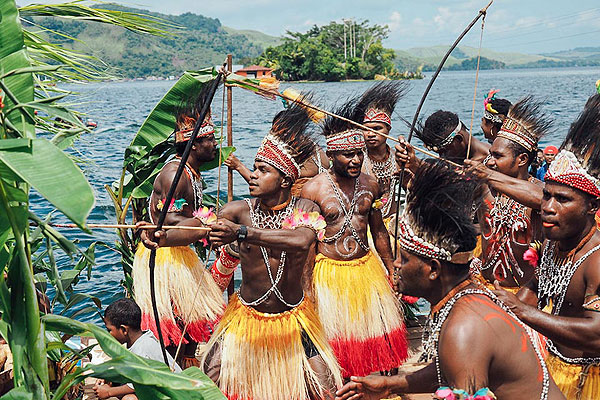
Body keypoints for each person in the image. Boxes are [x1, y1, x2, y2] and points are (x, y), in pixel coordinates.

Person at [334, 161, 564, 400]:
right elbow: (450, 367)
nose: (396, 265)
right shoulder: (466, 298)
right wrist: (389, 385)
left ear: (433, 269)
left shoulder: (463, 327)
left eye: (404, 258)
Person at [201, 100, 343, 400]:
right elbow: (199, 227)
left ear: (285, 179)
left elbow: (302, 241)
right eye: (253, 168)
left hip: (293, 318)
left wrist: (242, 233)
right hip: (247, 316)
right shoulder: (238, 210)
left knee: (327, 390)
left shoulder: (304, 208)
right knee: (209, 378)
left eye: (262, 170)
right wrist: (160, 235)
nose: (252, 175)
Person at [494, 95, 600, 400]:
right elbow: (537, 287)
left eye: (563, 200)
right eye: (546, 196)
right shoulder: (555, 245)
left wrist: (524, 312)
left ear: (592, 206)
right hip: (552, 369)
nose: (548, 208)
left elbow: (596, 335)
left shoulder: (596, 260)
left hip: (589, 382)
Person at [301, 99, 407, 378]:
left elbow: (378, 230)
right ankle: (345, 386)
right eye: (348, 155)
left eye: (359, 153)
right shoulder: (313, 189)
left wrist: (390, 266)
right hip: (330, 273)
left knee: (381, 335)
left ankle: (385, 390)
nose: (356, 160)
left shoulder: (371, 184)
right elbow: (307, 244)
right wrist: (307, 286)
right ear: (332, 155)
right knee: (340, 340)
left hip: (366, 267)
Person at [133, 88, 226, 368]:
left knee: (190, 325)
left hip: (180, 251)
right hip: (165, 256)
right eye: (209, 139)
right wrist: (208, 224)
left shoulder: (190, 171)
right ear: (194, 145)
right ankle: (171, 376)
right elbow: (170, 221)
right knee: (173, 326)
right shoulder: (176, 174)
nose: (214, 144)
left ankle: (186, 372)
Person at [469, 97, 553, 290]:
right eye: (490, 154)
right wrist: (416, 166)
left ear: (522, 159)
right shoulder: (484, 187)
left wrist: (489, 176)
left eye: (498, 156)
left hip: (525, 297)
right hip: (483, 287)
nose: (489, 162)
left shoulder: (542, 191)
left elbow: (542, 198)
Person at [93, 298, 182, 400]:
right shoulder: (140, 340)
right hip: (159, 390)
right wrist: (109, 377)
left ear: (124, 330)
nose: (108, 334)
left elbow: (135, 384)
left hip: (173, 395)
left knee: (129, 399)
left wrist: (108, 392)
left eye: (110, 330)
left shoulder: (142, 349)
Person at [354, 81, 407, 222]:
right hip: (364, 222)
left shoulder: (399, 158)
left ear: (388, 129)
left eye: (377, 129)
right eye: (365, 129)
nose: (370, 134)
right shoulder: (356, 161)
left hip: (393, 221)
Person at [418, 110, 490, 165]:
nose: (442, 157)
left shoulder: (492, 161)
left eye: (444, 152)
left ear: (458, 139)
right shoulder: (452, 162)